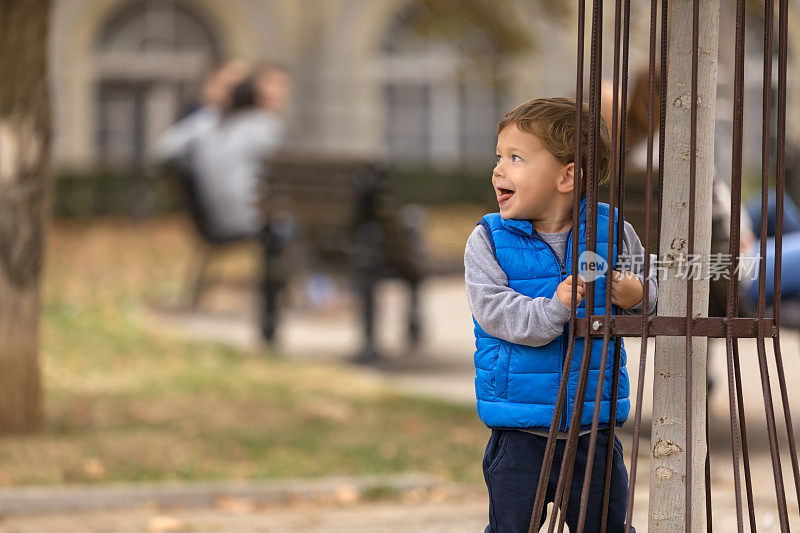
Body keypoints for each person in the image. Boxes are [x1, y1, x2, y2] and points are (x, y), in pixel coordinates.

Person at [465, 97, 655, 532]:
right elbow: (495, 312)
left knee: (604, 525)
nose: (498, 170)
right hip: (521, 430)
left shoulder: (612, 232)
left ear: (567, 176)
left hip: (594, 430)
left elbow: (653, 292)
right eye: (499, 156)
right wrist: (555, 308)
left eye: (516, 158)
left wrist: (637, 293)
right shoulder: (488, 240)